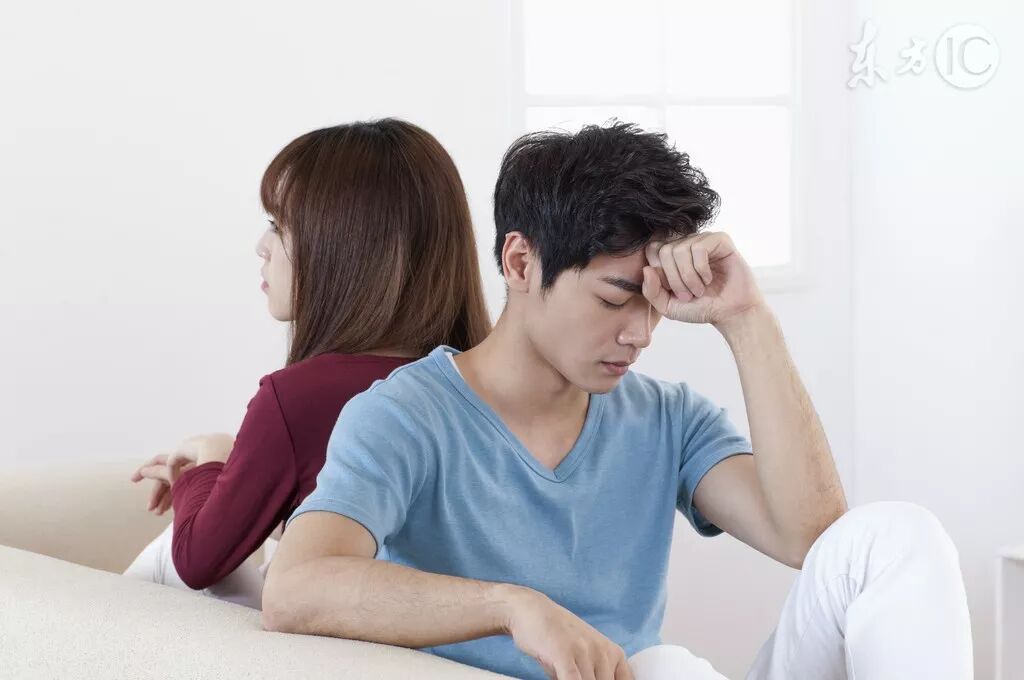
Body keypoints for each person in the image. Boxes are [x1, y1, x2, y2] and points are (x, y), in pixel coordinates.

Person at [262, 122, 974, 679]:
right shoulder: (405, 416)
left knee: (895, 537)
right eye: (614, 298)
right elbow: (296, 588)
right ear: (520, 262)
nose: (641, 333)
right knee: (666, 668)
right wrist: (511, 608)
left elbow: (812, 540)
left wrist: (745, 318)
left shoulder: (668, 419)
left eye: (656, 304)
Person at [122, 119, 491, 610]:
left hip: (345, 634)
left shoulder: (300, 398)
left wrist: (208, 464)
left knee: (166, 556)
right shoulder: (480, 382)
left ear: (346, 247)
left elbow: (197, 561)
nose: (262, 246)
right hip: (448, 626)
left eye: (279, 226)